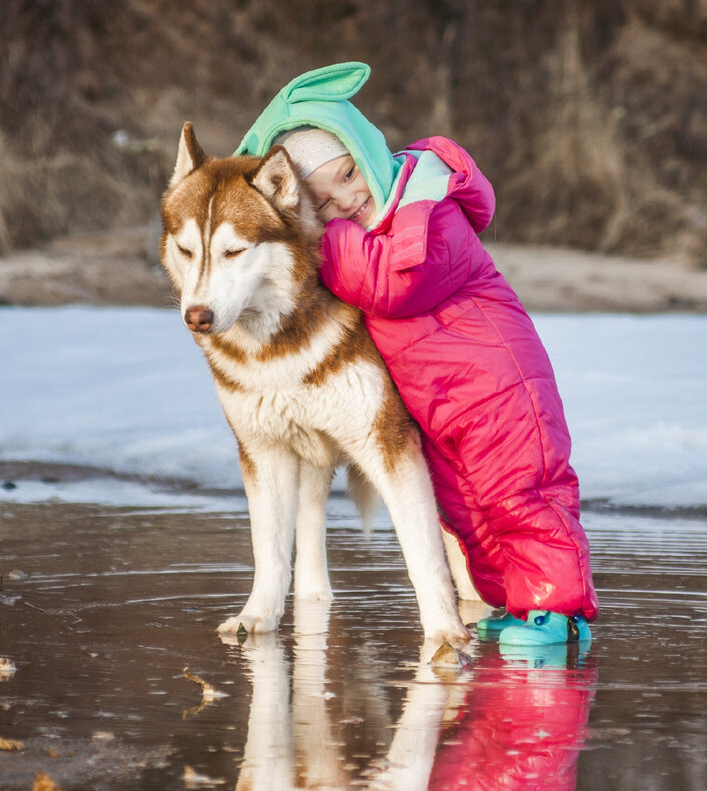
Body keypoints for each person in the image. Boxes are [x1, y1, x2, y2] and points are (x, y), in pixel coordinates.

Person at [235, 62, 598, 646]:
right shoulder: (376, 228)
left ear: (367, 153)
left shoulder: (427, 207)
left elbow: (395, 283)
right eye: (321, 203)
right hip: (443, 407)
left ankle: (557, 611)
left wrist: (322, 242)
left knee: (521, 496)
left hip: (498, 390)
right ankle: (519, 602)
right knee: (466, 510)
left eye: (348, 174)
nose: (346, 200)